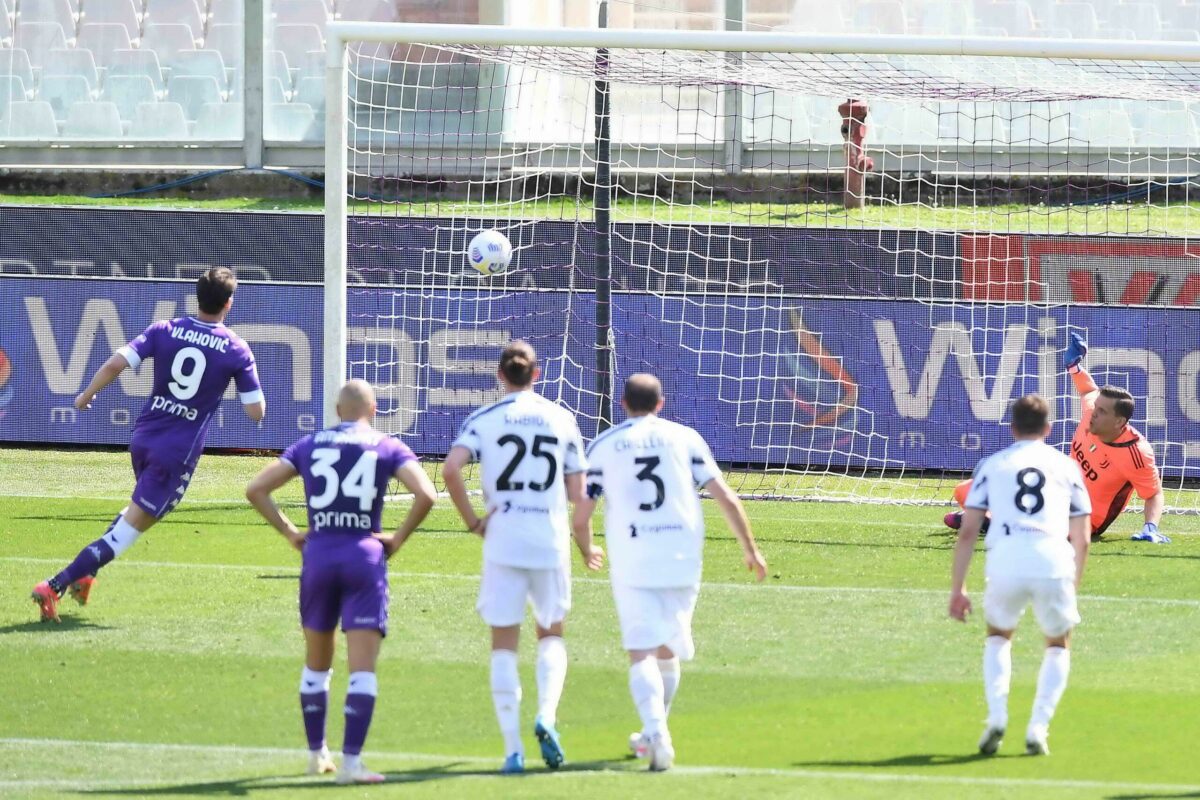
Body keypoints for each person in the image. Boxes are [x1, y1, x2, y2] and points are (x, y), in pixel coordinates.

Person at [32, 268, 265, 622]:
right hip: (177, 451)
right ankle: (56, 583)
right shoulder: (236, 348)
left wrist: (85, 395)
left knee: (138, 513)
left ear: (196, 297)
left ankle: (86, 575)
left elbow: (115, 362)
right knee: (130, 530)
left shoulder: (164, 329)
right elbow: (255, 412)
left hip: (143, 438)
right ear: (228, 303)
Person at [573, 373, 768, 771]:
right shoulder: (686, 438)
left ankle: (656, 731)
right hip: (682, 555)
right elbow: (726, 497)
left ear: (623, 404)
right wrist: (750, 548)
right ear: (660, 403)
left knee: (641, 650)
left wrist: (586, 546)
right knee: (668, 649)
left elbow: (582, 513)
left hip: (633, 556)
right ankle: (654, 731)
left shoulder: (605, 445)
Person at [245, 379, 436, 784]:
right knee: (362, 669)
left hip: (319, 555)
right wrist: (397, 539)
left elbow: (256, 489)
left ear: (336, 409)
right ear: (375, 408)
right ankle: (351, 764)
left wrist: (291, 532)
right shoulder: (387, 446)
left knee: (317, 665)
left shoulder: (309, 443)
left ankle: (316, 755)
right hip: (364, 556)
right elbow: (427, 494)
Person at [441, 340, 601, 774]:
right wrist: (587, 543)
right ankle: (547, 715)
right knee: (551, 633)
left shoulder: (483, 420)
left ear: (499, 375)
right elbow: (577, 492)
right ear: (538, 373)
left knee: (503, 642)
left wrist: (474, 520)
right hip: (548, 540)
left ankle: (512, 749)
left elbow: (450, 469)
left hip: (503, 539)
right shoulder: (562, 418)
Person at [949, 393, 1091, 757]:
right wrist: (1072, 583)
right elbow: (1083, 536)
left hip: (1007, 557)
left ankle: (997, 716)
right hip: (1052, 558)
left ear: (1011, 427)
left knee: (998, 636)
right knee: (1058, 643)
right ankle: (1038, 727)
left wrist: (958, 589)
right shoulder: (1065, 466)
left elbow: (968, 531)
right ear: (1048, 428)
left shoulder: (993, 465)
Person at [944, 332, 1166, 544]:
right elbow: (1088, 390)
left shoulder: (1136, 452)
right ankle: (993, 518)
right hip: (1055, 495)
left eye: (1102, 411)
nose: (1093, 413)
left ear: (1119, 422)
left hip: (1086, 517)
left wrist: (1150, 527)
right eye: (1096, 408)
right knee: (965, 490)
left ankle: (992, 519)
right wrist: (1073, 366)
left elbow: (1153, 493)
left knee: (1047, 527)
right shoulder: (1091, 412)